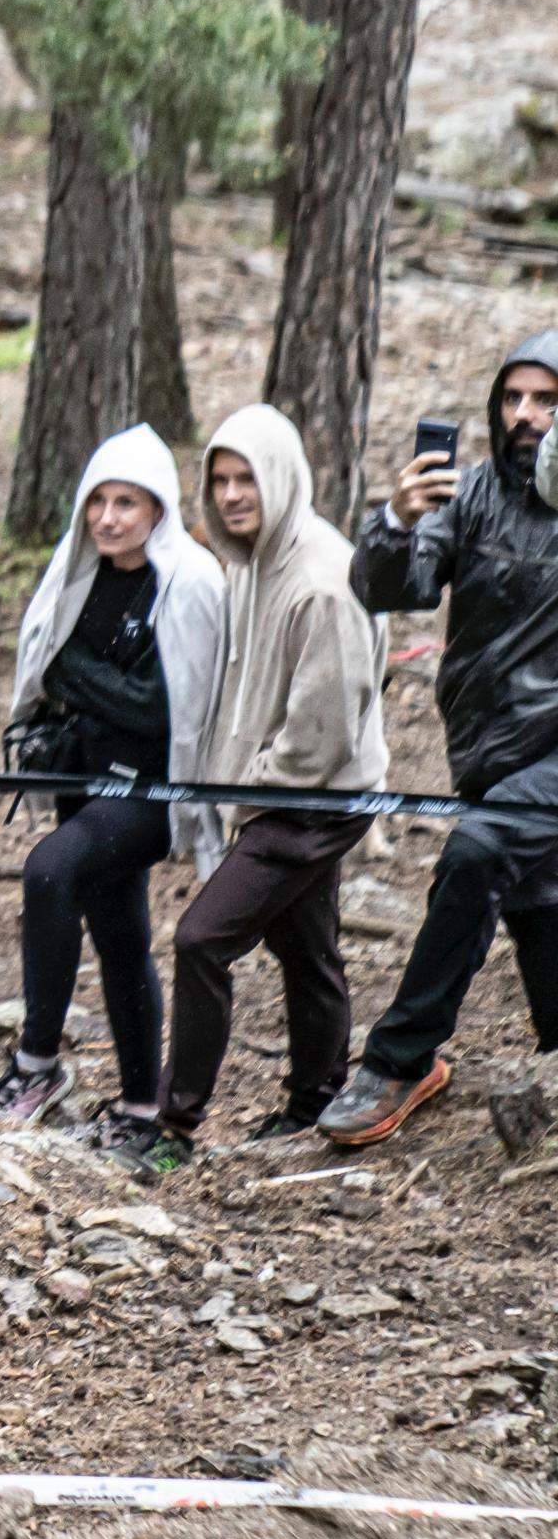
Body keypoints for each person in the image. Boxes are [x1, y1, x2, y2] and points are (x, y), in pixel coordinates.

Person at [137, 405, 389, 1169]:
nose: (234, 495)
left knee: (200, 940)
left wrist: (241, 790)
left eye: (247, 478)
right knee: (305, 943)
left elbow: (321, 738)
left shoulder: (320, 582)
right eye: (220, 480)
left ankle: (174, 1126)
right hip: (276, 790)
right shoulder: (251, 560)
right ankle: (317, 1101)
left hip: (312, 800)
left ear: (279, 479)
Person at [324, 337, 558, 1144]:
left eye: (546, 399)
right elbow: (393, 588)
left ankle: (399, 1059)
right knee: (534, 900)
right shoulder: (476, 494)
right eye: (513, 398)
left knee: (475, 855)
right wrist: (396, 521)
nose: (525, 414)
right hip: (493, 755)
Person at [0, 424, 222, 1150]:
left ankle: (36, 1062)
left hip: (152, 790)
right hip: (85, 776)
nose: (109, 518)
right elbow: (49, 670)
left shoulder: (186, 583)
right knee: (121, 934)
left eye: (128, 503)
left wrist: (80, 680)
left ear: (158, 509)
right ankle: (139, 1108)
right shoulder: (79, 572)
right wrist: (93, 691)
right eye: (99, 502)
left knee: (49, 870)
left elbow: (162, 708)